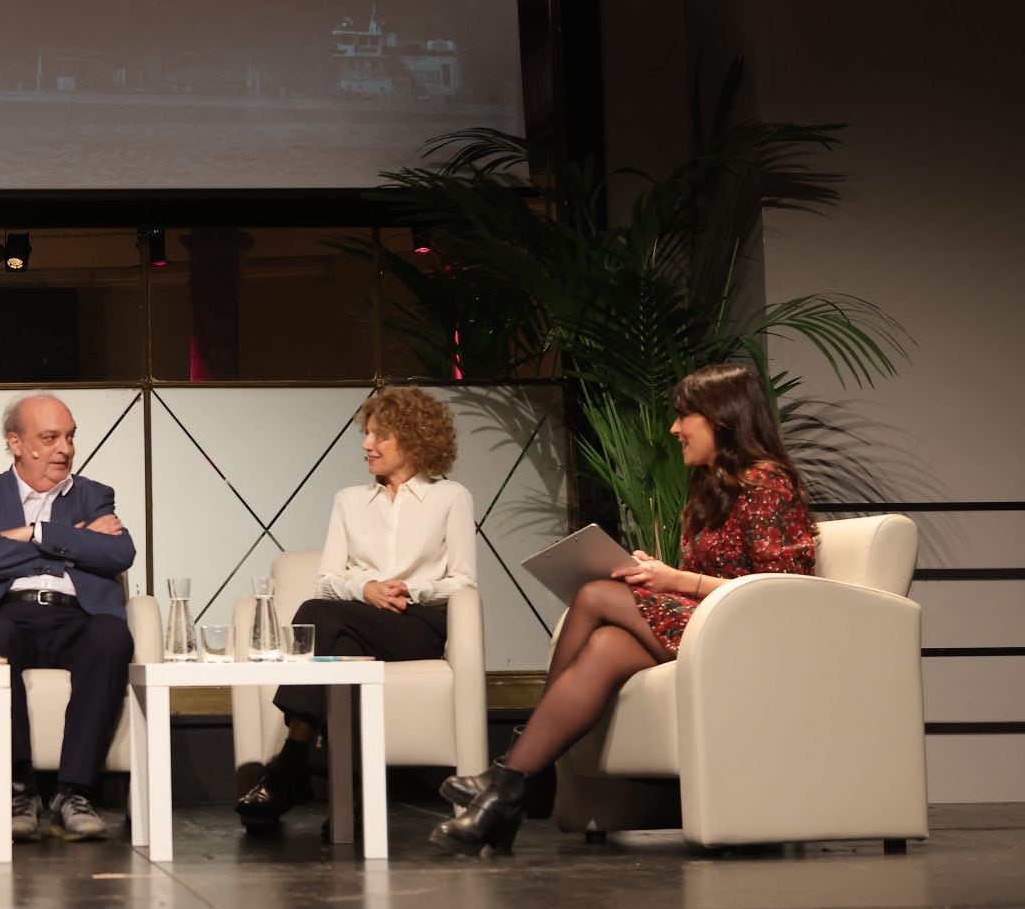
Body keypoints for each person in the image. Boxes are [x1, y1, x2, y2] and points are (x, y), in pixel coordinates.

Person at [432, 362, 818, 855]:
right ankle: (510, 795)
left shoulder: (768, 483)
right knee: (604, 646)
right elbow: (707, 574)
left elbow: (784, 589)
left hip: (746, 633)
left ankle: (518, 777)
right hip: (708, 624)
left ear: (722, 418)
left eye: (685, 417)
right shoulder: (710, 484)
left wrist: (676, 579)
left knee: (594, 595)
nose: (674, 429)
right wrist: (657, 571)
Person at [234, 386, 476, 830]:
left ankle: (291, 766)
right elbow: (327, 580)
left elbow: (462, 580)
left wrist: (409, 590)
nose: (367, 445)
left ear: (414, 439)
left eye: (379, 435)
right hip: (358, 620)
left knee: (322, 620)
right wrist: (366, 588)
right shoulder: (349, 501)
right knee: (335, 637)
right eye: (366, 434)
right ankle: (357, 801)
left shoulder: (451, 498)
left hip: (415, 624)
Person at [0, 393, 136, 843]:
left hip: (77, 616)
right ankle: (21, 789)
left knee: (112, 637)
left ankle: (73, 792)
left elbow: (119, 551)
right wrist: (70, 546)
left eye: (70, 437)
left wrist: (35, 534)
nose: (65, 449)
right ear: (15, 442)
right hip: (10, 614)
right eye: (50, 438)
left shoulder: (94, 495)